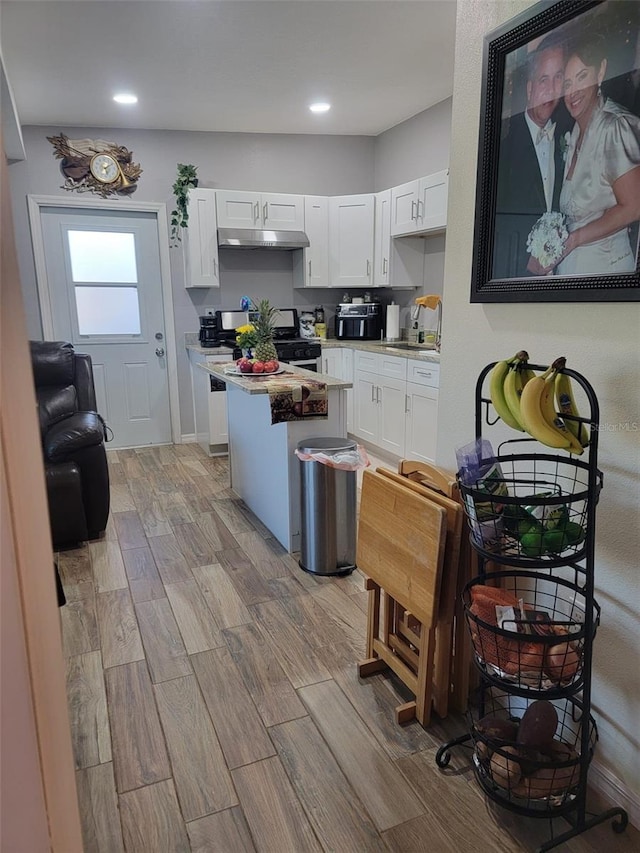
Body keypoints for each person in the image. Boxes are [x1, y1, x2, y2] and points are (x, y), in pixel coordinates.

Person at [555, 32, 640, 275]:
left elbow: (634, 206)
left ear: (601, 72)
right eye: (568, 84)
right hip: (571, 270)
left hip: (605, 271)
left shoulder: (614, 127)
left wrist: (575, 238)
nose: (573, 92)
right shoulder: (572, 134)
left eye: (582, 77)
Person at [493, 34, 567, 279]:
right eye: (543, 79)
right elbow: (492, 226)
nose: (551, 89)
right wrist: (526, 262)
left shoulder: (568, 135)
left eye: (558, 78)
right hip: (516, 277)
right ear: (529, 88)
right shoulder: (502, 152)